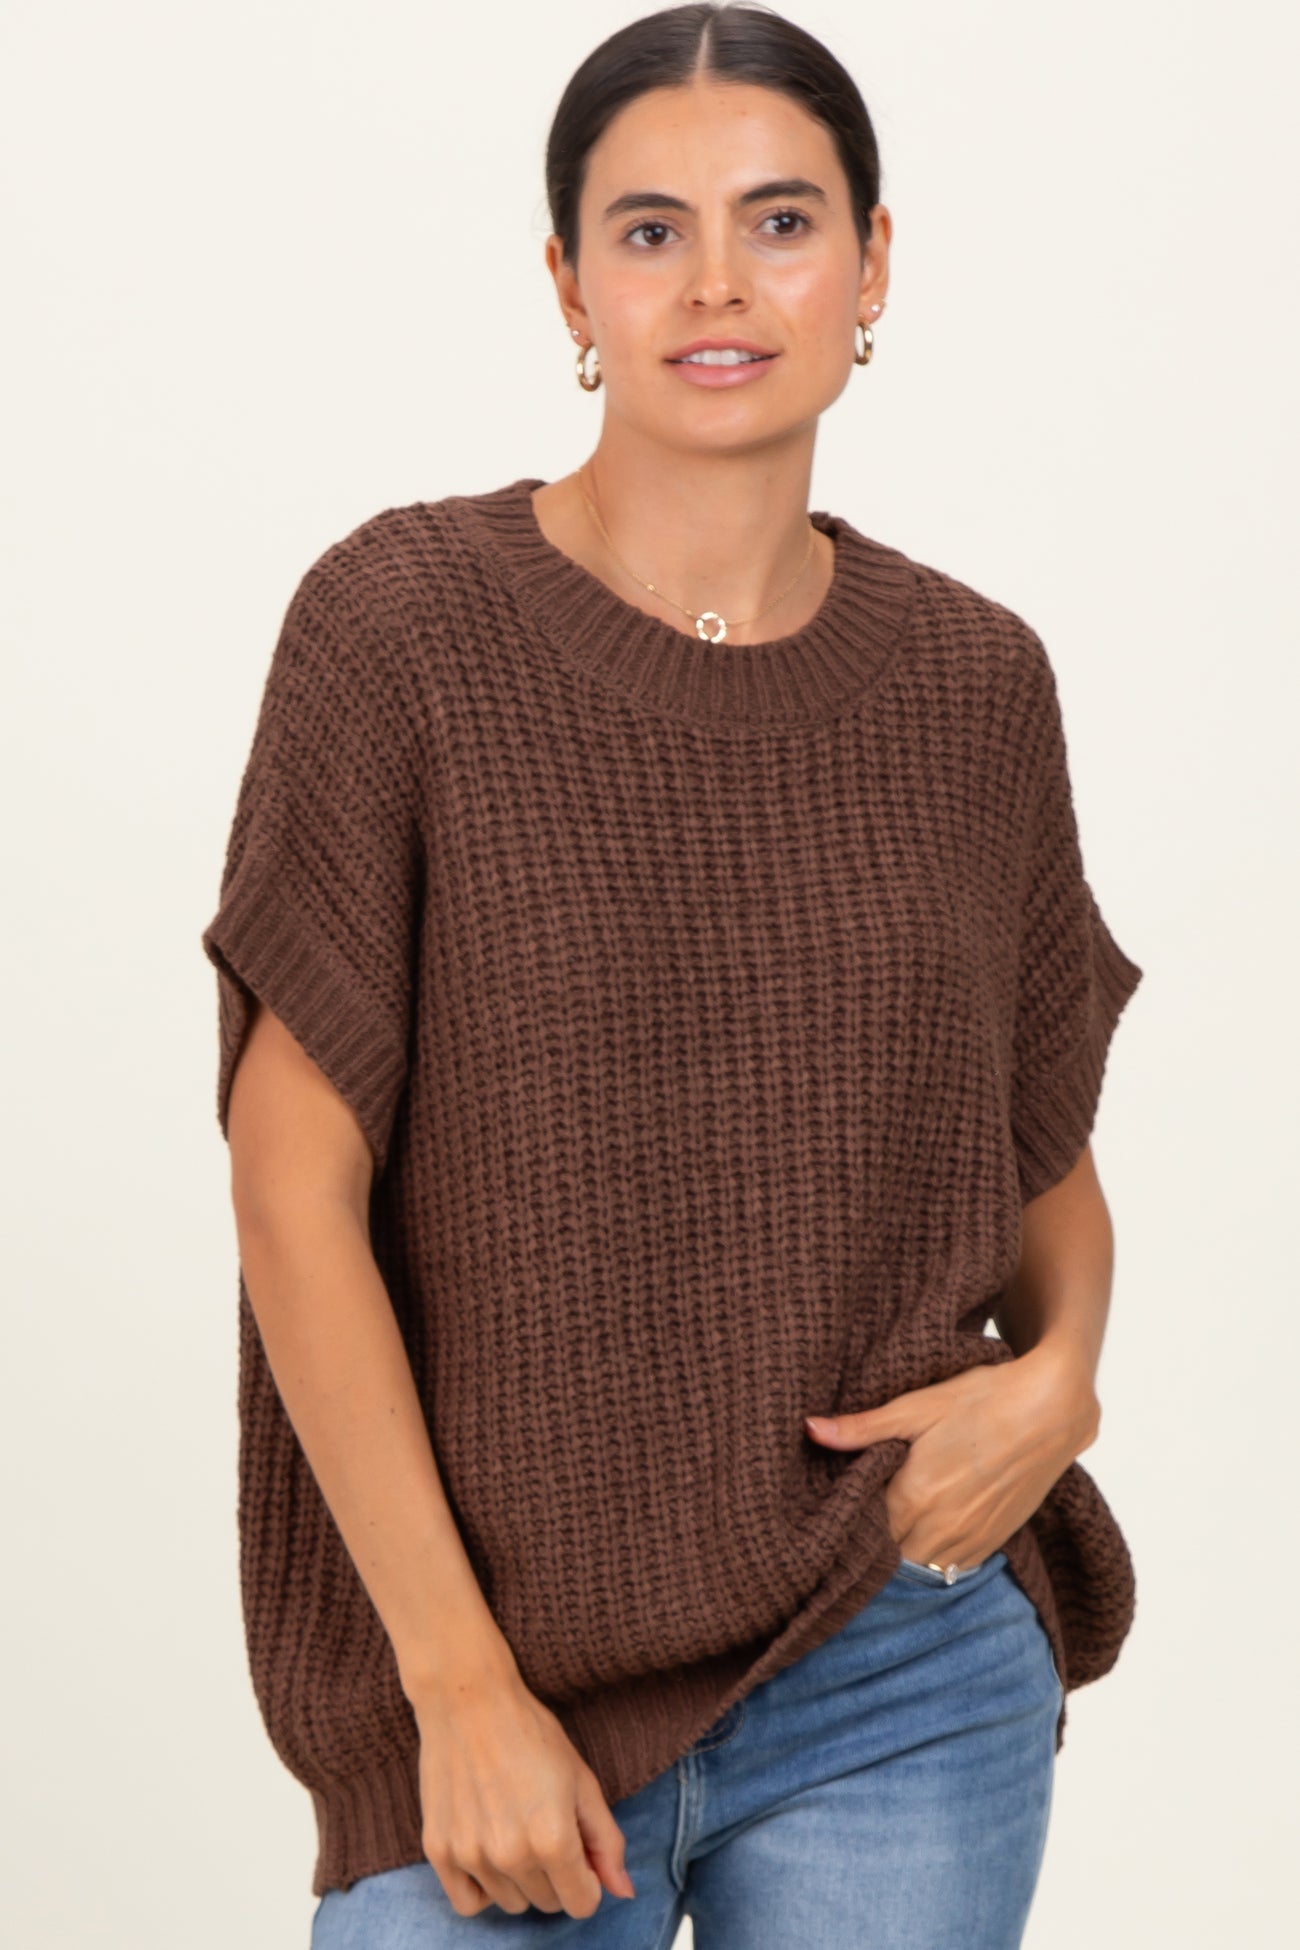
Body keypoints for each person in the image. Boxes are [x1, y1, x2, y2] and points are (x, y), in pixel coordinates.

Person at [199, 5, 1145, 1946]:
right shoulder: (399, 630)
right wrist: (456, 1687)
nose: (718, 283)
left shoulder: (976, 685)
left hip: (900, 1664)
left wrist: (1059, 1380)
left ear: (871, 263)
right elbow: (292, 1193)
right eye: (649, 231)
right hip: (497, 1690)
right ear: (569, 283)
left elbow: (1036, 1165)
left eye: (780, 221)